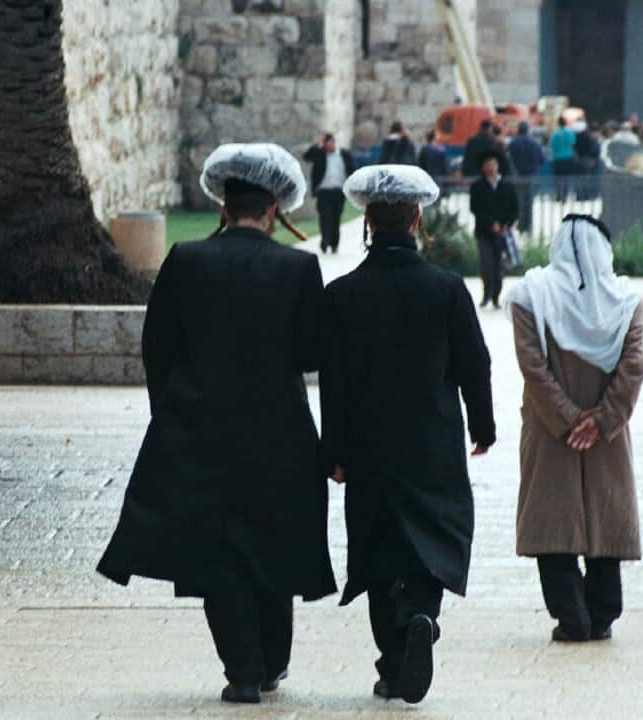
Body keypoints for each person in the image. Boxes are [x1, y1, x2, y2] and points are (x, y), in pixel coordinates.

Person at [97, 143, 336, 705]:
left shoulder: (185, 260)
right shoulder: (300, 267)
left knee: (220, 550)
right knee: (272, 545)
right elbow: (311, 352)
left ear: (224, 208)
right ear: (274, 209)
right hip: (280, 434)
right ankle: (272, 661)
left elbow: (158, 347)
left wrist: (172, 412)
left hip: (200, 430)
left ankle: (243, 669)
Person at [319, 164, 496, 705]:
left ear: (368, 221)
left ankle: (393, 663)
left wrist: (336, 453)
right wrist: (483, 427)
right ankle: (421, 612)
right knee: (430, 538)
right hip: (433, 443)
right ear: (418, 219)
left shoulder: (342, 294)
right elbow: (475, 364)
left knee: (377, 548)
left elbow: (334, 382)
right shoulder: (447, 290)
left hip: (370, 446)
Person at [502, 215, 643, 644]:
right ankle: (601, 616)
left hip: (551, 432)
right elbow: (634, 366)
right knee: (604, 515)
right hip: (606, 435)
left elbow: (532, 366)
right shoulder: (627, 302)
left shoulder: (530, 296)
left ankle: (571, 618)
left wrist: (567, 419)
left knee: (553, 520)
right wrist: (601, 421)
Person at [469, 149, 519, 309]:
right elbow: (475, 208)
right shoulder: (477, 186)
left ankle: (496, 296)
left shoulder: (507, 186)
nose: (491, 167)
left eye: (493, 164)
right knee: (487, 264)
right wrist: (491, 223)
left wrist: (506, 224)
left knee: (499, 266)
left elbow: (514, 208)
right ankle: (486, 294)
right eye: (487, 164)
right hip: (484, 231)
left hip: (502, 232)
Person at [304, 132, 357, 253]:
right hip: (323, 191)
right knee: (324, 217)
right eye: (326, 144)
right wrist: (318, 144)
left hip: (339, 191)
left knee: (336, 218)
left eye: (330, 143)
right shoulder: (319, 154)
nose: (329, 146)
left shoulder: (343, 154)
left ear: (333, 142)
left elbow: (352, 169)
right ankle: (324, 242)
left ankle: (334, 243)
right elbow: (307, 156)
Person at [507, 121, 544, 234]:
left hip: (517, 176)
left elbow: (510, 158)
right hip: (531, 176)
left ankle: (520, 225)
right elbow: (542, 159)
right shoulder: (535, 143)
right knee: (529, 203)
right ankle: (528, 227)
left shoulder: (513, 142)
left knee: (518, 202)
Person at [549, 117, 580, 201]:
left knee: (558, 178)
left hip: (557, 159)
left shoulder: (555, 134)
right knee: (566, 178)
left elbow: (552, 146)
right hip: (568, 158)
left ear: (558, 123)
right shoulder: (570, 133)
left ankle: (559, 194)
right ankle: (565, 195)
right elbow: (573, 145)